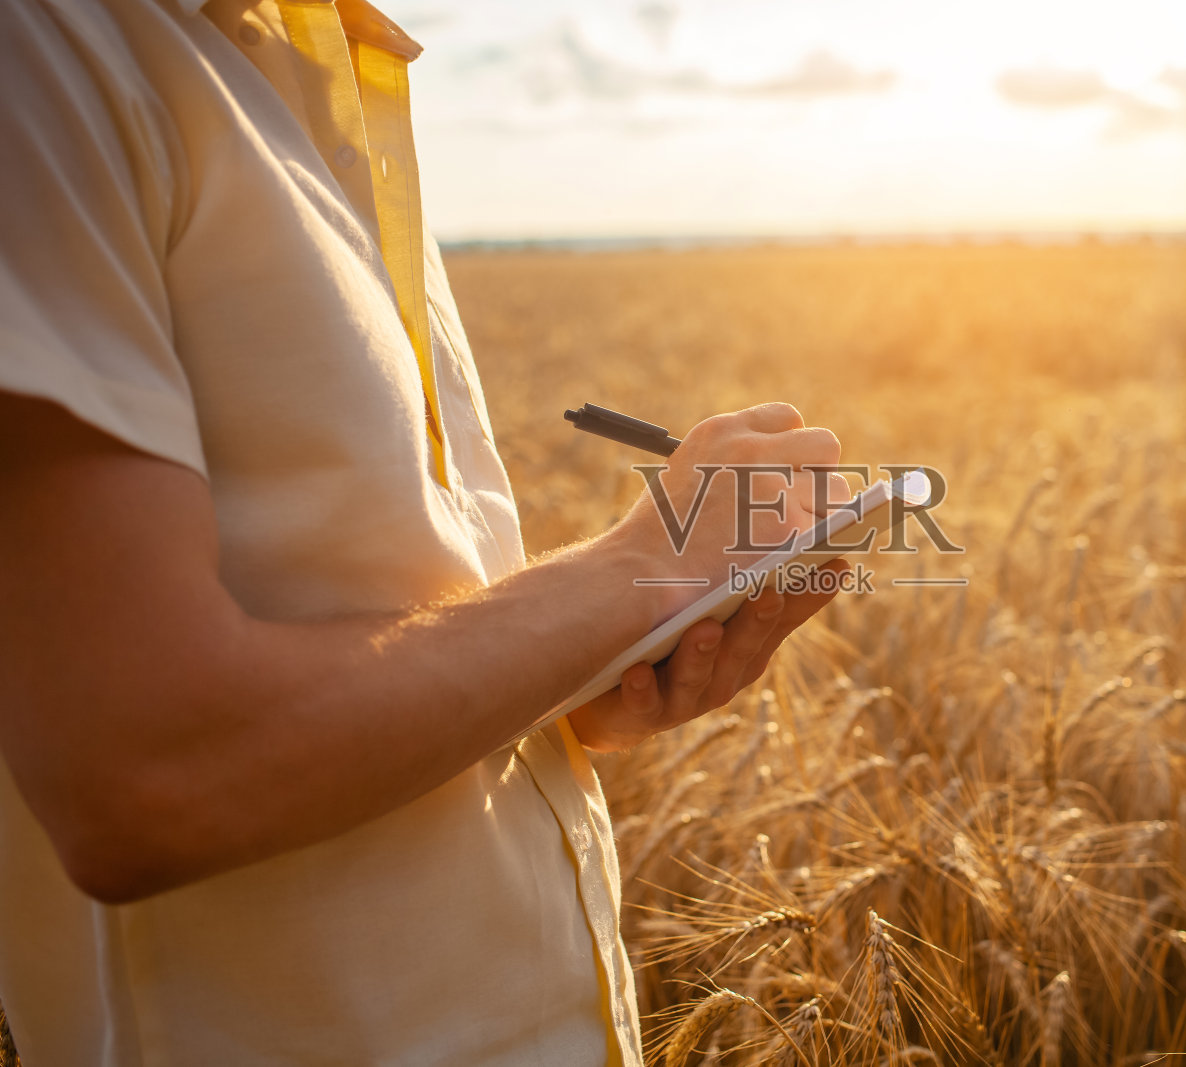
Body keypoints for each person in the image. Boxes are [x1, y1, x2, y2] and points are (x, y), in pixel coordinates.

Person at [0, 0, 848, 1062]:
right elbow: (148, 772)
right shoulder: (44, 54)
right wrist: (640, 569)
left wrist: (580, 681)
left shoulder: (313, 70)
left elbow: (369, 596)